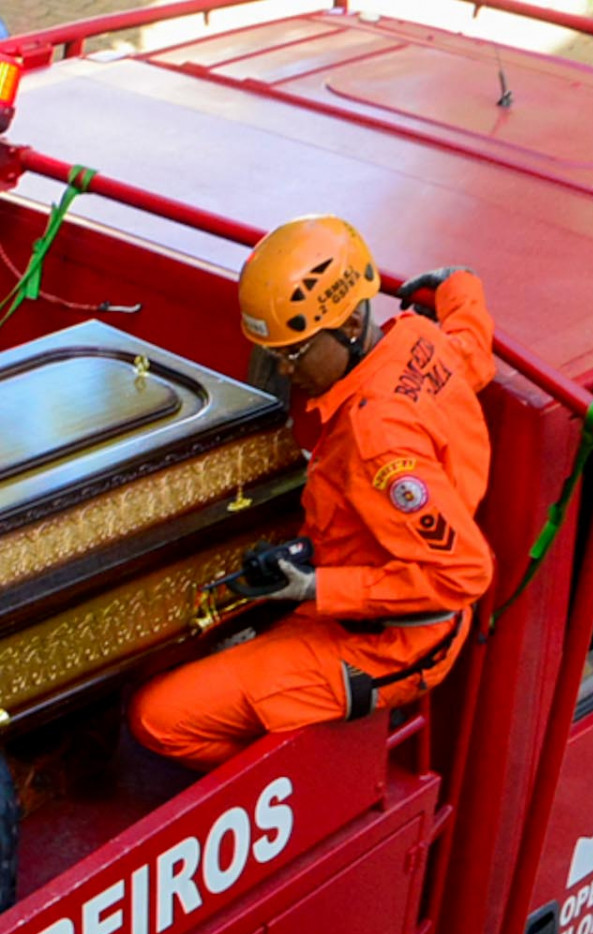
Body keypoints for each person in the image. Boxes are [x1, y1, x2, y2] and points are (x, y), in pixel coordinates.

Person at [130, 215, 496, 767]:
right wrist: (458, 286)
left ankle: (291, 773)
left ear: (350, 324)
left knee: (158, 719)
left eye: (293, 352)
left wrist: (316, 589)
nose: (282, 367)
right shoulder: (418, 341)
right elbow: (472, 350)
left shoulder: (380, 441)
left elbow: (463, 574)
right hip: (359, 591)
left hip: (388, 641)